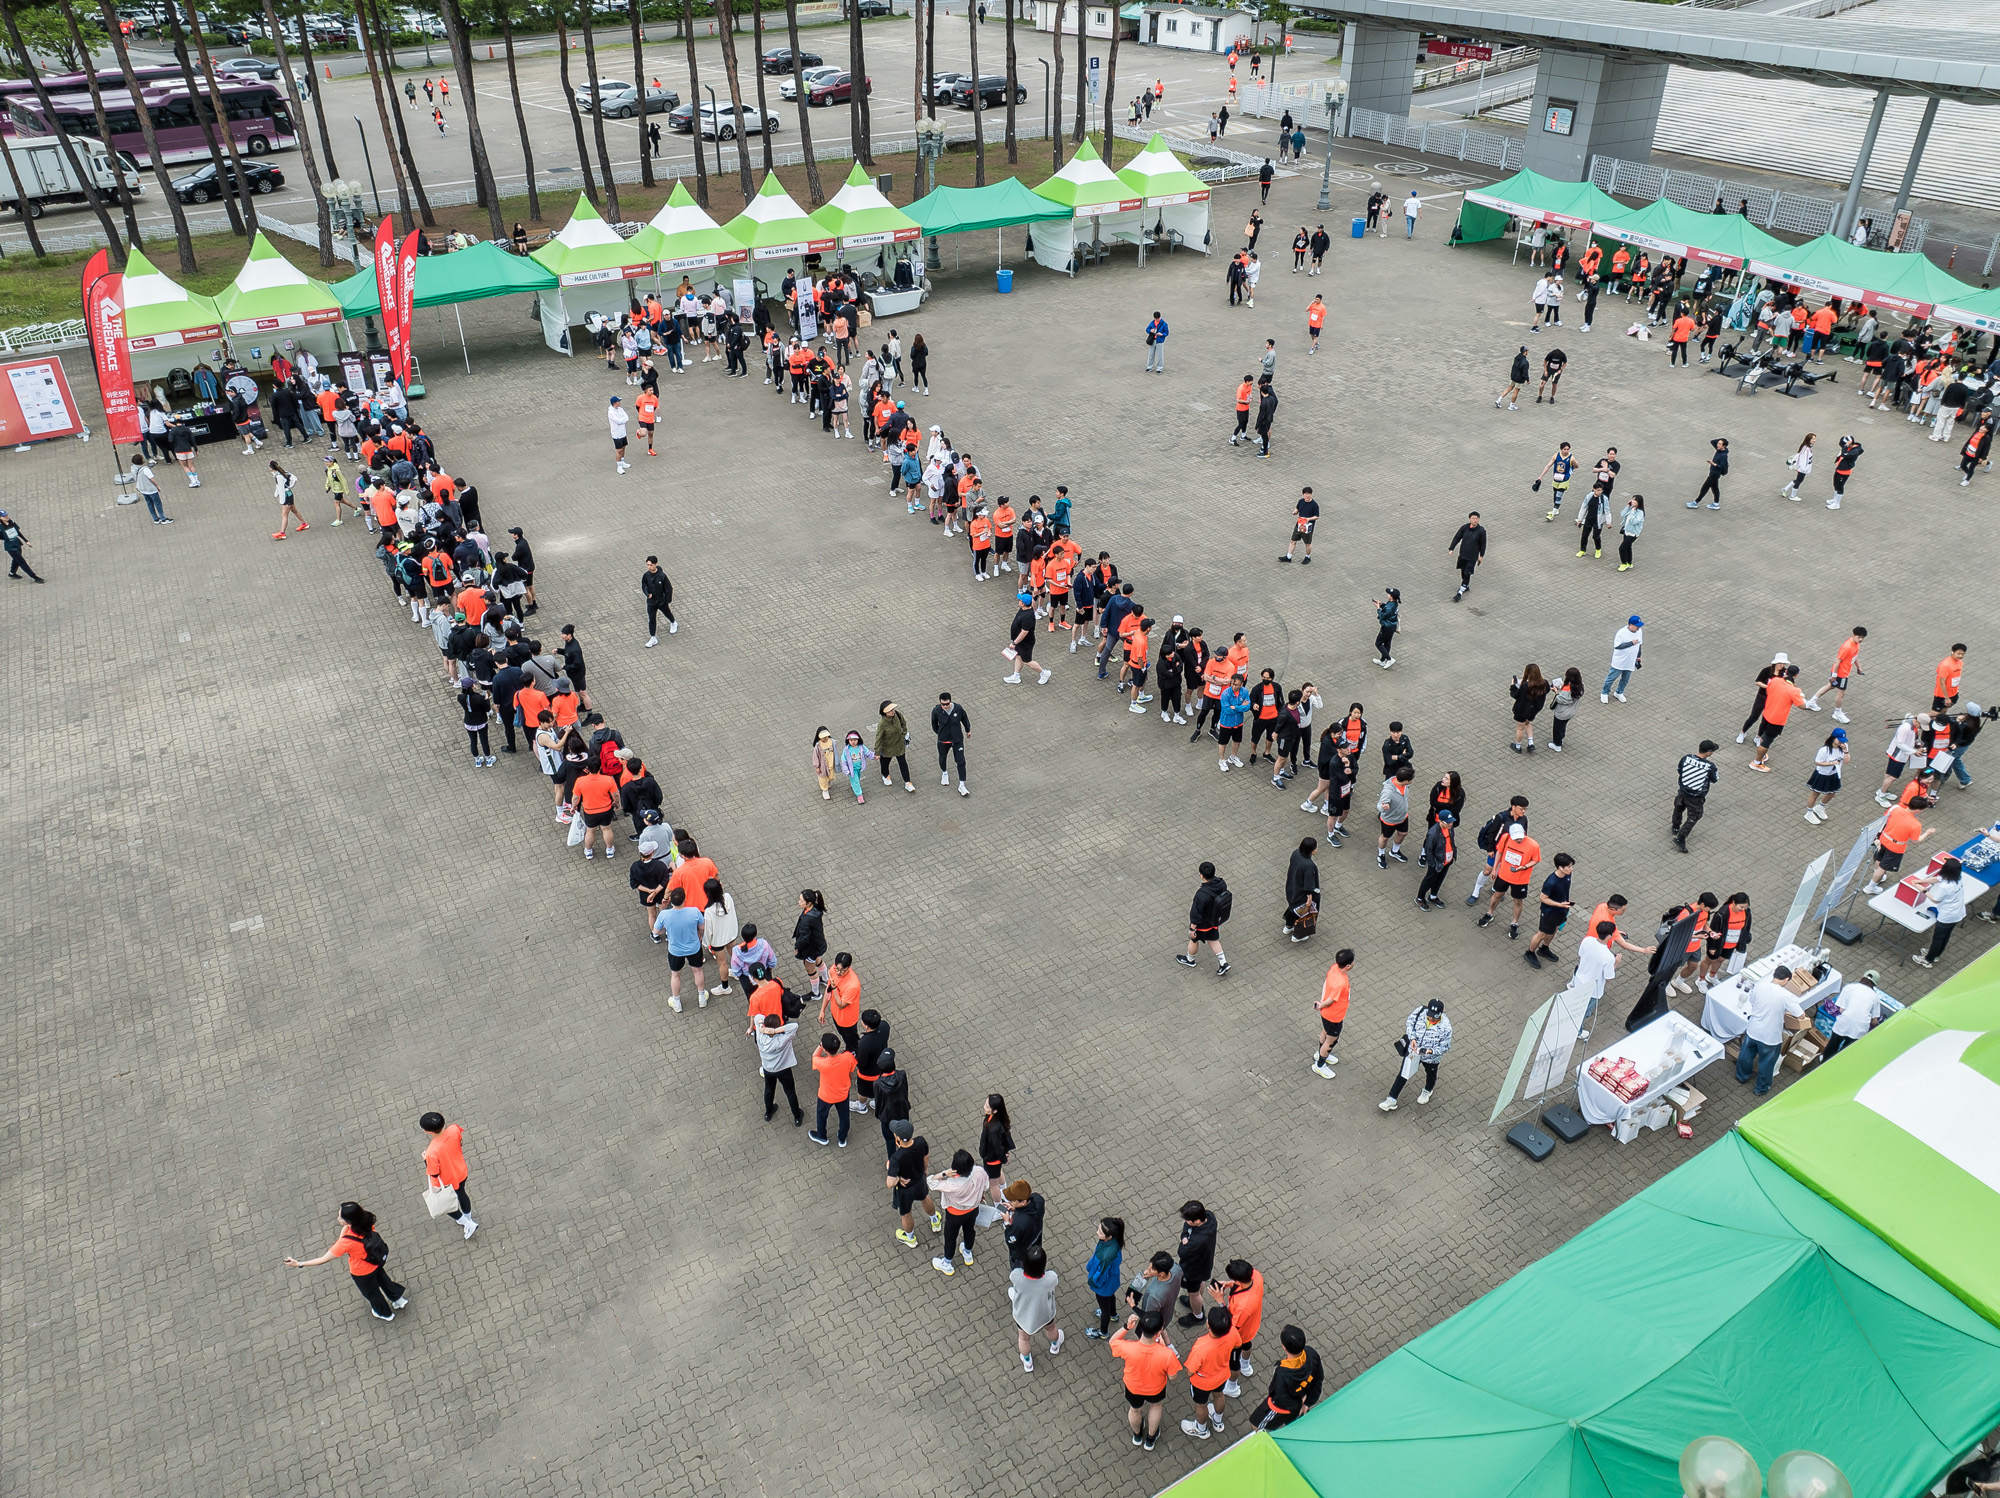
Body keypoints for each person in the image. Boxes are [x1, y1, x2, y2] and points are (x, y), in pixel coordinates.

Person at [284, 1203, 406, 1321]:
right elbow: (349, 1230)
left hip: (362, 1272)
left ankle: (385, 1314)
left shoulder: (346, 1243)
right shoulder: (367, 1221)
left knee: (372, 1293)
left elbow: (323, 1259)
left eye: (341, 1217)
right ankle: (398, 1299)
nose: (338, 1219)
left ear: (350, 1220)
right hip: (376, 1261)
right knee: (384, 1280)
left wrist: (299, 1264)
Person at [1110, 1311, 1183, 1450]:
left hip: (1133, 1388)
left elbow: (1112, 1341)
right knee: (1156, 1407)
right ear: (1159, 1331)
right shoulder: (1167, 1354)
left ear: (1141, 1328)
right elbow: (1173, 1377)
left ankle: (1137, 1436)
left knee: (1135, 1410)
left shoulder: (1128, 1348)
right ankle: (1150, 1439)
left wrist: (1126, 1326)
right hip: (1156, 1389)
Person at [1735, 967, 1804, 1095]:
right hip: (1770, 1036)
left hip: (1753, 1029)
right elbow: (1801, 1015)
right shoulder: (1786, 996)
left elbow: (1753, 1002)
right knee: (1766, 1064)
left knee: (1746, 1055)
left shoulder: (1760, 986)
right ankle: (1761, 1088)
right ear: (1786, 979)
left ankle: (1741, 1076)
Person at [1381, 997, 1452, 1110]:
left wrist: (1431, 1051)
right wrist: (1412, 1038)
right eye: (1430, 1015)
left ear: (1440, 1015)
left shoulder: (1446, 1028)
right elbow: (1410, 1023)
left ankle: (1428, 1090)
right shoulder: (1420, 1011)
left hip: (1430, 1058)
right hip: (1413, 1051)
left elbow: (1445, 1047)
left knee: (1431, 1074)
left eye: (1435, 1017)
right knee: (1403, 1073)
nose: (1431, 1018)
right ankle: (1392, 1098)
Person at [927, 1149, 990, 1275]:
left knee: (950, 1238)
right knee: (970, 1230)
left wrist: (945, 1173)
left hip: (954, 1215)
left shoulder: (952, 1184)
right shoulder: (979, 1171)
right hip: (973, 1210)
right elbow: (986, 1186)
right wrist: (980, 1194)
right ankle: (967, 1252)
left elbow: (931, 1181)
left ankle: (947, 1263)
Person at [419, 1111, 478, 1239]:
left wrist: (426, 1160)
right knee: (462, 1193)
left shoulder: (431, 1152)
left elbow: (434, 1173)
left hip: (447, 1180)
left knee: (445, 1205)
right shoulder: (454, 1129)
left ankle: (467, 1223)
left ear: (428, 1132)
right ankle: (468, 1218)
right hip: (461, 1171)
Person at [1180, 1306, 1236, 1440]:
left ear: (1208, 1325)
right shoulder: (1233, 1333)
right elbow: (1238, 1344)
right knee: (1219, 1396)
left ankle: (1201, 1429)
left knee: (1201, 1404)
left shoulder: (1201, 1346)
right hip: (1222, 1376)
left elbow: (1189, 1371)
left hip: (1202, 1383)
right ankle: (1218, 1422)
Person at [1254, 1326, 1323, 1431]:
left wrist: (1299, 1404)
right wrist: (1307, 1403)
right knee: (1294, 1424)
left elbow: (1281, 1399)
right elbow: (1319, 1379)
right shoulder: (1311, 1353)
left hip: (1283, 1408)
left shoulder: (1282, 1373)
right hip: (1300, 1403)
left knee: (1255, 1424)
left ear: (1284, 1347)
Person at [1864, 793, 1934, 894]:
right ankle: (1871, 887)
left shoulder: (1895, 809)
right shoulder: (1916, 824)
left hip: (1883, 839)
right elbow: (1915, 841)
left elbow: (1885, 818)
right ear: (1917, 810)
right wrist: (1927, 833)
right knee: (1883, 868)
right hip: (1896, 848)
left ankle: (1879, 876)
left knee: (1879, 860)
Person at [1009, 1245, 1064, 1372]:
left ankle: (1027, 1361)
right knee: (1051, 1328)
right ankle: (1055, 1346)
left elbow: (1014, 1275)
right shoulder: (1050, 1278)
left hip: (1023, 1317)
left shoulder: (1016, 1276)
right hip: (1045, 1313)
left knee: (1023, 1338)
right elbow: (1054, 1279)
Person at [885, 1118, 937, 1243]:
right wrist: (925, 1171)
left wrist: (898, 1178)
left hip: (905, 1191)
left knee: (906, 1214)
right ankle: (935, 1221)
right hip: (919, 1180)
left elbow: (889, 1183)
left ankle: (910, 1238)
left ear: (897, 1138)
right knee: (925, 1198)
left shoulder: (896, 1159)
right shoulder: (920, 1142)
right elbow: (926, 1157)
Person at [1908, 856, 1967, 967]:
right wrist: (1920, 881)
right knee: (1945, 936)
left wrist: (1923, 890)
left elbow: (1935, 899)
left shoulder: (1946, 887)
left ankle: (1928, 960)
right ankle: (1935, 954)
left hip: (1948, 915)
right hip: (1958, 912)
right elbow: (1936, 879)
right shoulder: (1958, 878)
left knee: (1938, 938)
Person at [1748, 664, 1807, 772]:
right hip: (1777, 720)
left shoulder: (1775, 680)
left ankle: (1763, 755)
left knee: (1764, 735)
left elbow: (1768, 690)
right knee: (1767, 741)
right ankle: (1756, 763)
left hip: (1767, 713)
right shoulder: (1794, 690)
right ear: (1796, 675)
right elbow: (1802, 706)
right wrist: (1802, 697)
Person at [1521, 853, 1575, 969]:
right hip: (1550, 912)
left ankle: (1544, 949)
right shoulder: (1551, 882)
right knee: (1542, 933)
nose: (1572, 869)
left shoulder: (1567, 875)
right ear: (1560, 867)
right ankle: (1530, 953)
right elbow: (1543, 898)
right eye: (1569, 866)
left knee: (1554, 930)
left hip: (1562, 910)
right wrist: (1559, 904)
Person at [1801, 626, 1865, 722]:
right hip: (1841, 674)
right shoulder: (1847, 647)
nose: (1860, 639)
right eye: (1859, 637)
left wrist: (1858, 667)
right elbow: (1837, 662)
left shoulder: (1856, 645)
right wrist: (1834, 676)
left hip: (1843, 673)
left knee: (1829, 687)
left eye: (1862, 638)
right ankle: (1837, 713)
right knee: (1841, 693)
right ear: (1853, 635)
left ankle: (1811, 702)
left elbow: (1855, 656)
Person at [1179, 861, 1232, 976]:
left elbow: (1196, 914)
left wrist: (1192, 929)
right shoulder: (1221, 883)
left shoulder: (1201, 895)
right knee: (1213, 939)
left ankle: (1190, 959)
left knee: (1194, 939)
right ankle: (1223, 963)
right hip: (1214, 920)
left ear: (1201, 875)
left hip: (1203, 924)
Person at [807, 1031, 858, 1147]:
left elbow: (815, 1056)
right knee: (844, 1117)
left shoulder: (822, 1063)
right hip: (843, 1093)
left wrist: (820, 1045)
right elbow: (851, 1072)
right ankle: (842, 1138)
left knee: (821, 1116)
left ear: (825, 1050)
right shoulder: (848, 1057)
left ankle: (822, 1136)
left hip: (826, 1096)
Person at [1175, 1201, 1218, 1327]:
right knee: (1200, 1284)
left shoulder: (1197, 1241)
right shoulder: (1210, 1217)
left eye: (1188, 1220)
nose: (1186, 1222)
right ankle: (1194, 1301)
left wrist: (1184, 1241)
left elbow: (1182, 1252)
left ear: (1197, 1221)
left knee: (1193, 1293)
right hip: (1204, 1265)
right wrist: (1185, 1236)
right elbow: (1186, 1228)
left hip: (1193, 1269)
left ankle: (1197, 1315)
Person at [1821, 970, 1883, 1059]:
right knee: (1846, 1051)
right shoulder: (1875, 997)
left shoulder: (1849, 987)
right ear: (1875, 984)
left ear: (1863, 977)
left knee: (1833, 1044)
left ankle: (1824, 1061)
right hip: (1860, 1028)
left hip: (1844, 1022)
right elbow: (1874, 1021)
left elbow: (1841, 1010)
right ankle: (1837, 1065)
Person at [1311, 949, 1353, 1075]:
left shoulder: (1334, 968)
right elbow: (1331, 1000)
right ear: (1348, 965)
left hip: (1327, 1014)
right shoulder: (1341, 983)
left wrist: (1321, 1004)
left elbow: (1325, 984)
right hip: (1334, 1016)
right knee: (1331, 1040)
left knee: (1326, 1031)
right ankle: (1320, 1065)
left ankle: (1321, 1054)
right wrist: (1322, 1004)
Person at [1673, 740, 1720, 853]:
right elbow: (1715, 779)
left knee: (1678, 807)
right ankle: (1681, 837)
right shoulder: (1710, 766)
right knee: (1694, 816)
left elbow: (1680, 770)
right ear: (1708, 752)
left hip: (1683, 791)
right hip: (1696, 796)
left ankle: (1675, 826)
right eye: (1712, 751)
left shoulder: (1686, 758)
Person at [1085, 1218, 1126, 1339]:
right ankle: (1114, 1315)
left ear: (1109, 1237)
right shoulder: (1114, 1242)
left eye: (1100, 1231)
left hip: (1103, 1286)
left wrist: (1092, 1280)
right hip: (1111, 1283)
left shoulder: (1106, 1256)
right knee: (1110, 1297)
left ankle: (1103, 1332)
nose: (1097, 1232)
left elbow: (1101, 1275)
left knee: (1104, 1309)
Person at [1803, 729, 1849, 821]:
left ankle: (1820, 807)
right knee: (1815, 794)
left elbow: (1847, 761)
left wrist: (1845, 751)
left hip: (1834, 774)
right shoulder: (1824, 750)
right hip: (1822, 774)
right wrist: (1831, 763)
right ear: (1833, 738)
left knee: (1832, 793)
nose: (1841, 742)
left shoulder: (1844, 747)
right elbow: (1818, 762)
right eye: (1839, 740)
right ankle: (1809, 812)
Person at [931, 691, 971, 794]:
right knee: (942, 757)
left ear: (950, 701)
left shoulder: (958, 708)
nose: (945, 706)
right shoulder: (936, 711)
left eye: (947, 704)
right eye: (943, 704)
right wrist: (940, 733)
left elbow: (964, 719)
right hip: (943, 740)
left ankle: (962, 784)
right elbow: (934, 724)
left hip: (957, 739)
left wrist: (967, 730)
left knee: (961, 761)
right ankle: (944, 773)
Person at [793, 888, 829, 997]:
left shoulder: (807, 920)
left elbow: (804, 938)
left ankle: (815, 993)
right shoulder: (816, 910)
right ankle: (825, 980)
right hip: (818, 944)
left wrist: (797, 947)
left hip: (811, 948)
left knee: (810, 968)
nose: (799, 902)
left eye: (801, 901)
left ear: (808, 903)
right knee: (818, 960)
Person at [1283, 837, 1320, 942]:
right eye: (1315, 847)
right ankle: (1299, 935)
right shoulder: (1309, 866)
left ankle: (1288, 926)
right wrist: (1309, 899)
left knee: (1293, 907)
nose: (1317, 849)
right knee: (1304, 913)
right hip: (1302, 894)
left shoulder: (1296, 853)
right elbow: (1309, 885)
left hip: (1292, 888)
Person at [979, 1094, 1014, 1200]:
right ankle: (1005, 1190)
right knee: (998, 1172)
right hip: (995, 1160)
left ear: (995, 1111)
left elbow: (997, 1148)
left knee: (993, 1185)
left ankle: (998, 1207)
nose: (984, 1107)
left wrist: (1003, 1158)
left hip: (992, 1159)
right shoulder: (996, 1119)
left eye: (987, 1106)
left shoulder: (994, 1130)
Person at [873, 699, 914, 791]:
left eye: (893, 709)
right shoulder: (882, 724)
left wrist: (903, 735)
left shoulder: (898, 715)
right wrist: (877, 752)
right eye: (890, 710)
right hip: (887, 748)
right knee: (885, 763)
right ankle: (885, 775)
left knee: (903, 763)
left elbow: (904, 724)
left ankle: (907, 782)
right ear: (884, 712)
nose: (893, 711)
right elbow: (879, 738)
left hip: (899, 746)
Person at [1603, 615, 1643, 702]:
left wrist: (1638, 656)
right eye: (1637, 626)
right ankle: (1605, 692)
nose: (1638, 628)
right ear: (1631, 625)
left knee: (1625, 679)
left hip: (1630, 661)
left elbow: (1639, 644)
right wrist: (1631, 643)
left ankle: (1619, 692)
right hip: (1620, 661)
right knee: (1611, 678)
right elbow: (1617, 646)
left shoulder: (1639, 631)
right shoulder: (1621, 633)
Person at [1447, 512, 1486, 601]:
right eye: (1473, 518)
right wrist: (1451, 548)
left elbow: (1483, 544)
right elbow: (1457, 537)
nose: (1475, 520)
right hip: (1463, 554)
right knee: (1463, 571)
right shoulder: (1464, 528)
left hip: (1472, 557)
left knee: (1467, 572)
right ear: (1469, 519)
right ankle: (1465, 585)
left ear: (1478, 519)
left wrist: (1481, 555)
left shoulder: (1481, 531)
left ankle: (1459, 593)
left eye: (1476, 518)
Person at [641, 556, 676, 646]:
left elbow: (668, 588)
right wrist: (647, 594)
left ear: (655, 564)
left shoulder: (662, 576)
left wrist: (667, 600)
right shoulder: (646, 575)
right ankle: (653, 638)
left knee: (667, 613)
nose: (649, 567)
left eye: (651, 565)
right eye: (647, 565)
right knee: (652, 619)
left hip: (661, 601)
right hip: (651, 602)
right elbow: (644, 586)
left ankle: (673, 622)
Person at [1689, 437, 1729, 510]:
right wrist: (1721, 440)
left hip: (1715, 474)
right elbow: (1712, 441)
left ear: (1724, 446)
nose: (1717, 445)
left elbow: (1721, 467)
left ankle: (1696, 502)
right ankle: (1716, 504)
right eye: (1718, 443)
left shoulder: (1723, 455)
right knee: (1715, 488)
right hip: (1713, 473)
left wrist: (1713, 464)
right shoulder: (1719, 450)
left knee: (1705, 487)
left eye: (1720, 444)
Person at [1281, 486, 1319, 563]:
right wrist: (1295, 511)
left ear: (1311, 494)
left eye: (1309, 494)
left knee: (1307, 543)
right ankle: (1288, 557)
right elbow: (1297, 508)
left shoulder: (1314, 505)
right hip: (1299, 524)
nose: (1307, 495)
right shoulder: (1301, 501)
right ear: (1303, 494)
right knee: (1293, 541)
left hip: (1308, 526)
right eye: (1305, 494)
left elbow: (1316, 516)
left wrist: (1308, 519)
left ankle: (1307, 557)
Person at [1372, 589, 1400, 669]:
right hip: (1391, 627)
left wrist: (1378, 608)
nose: (1388, 594)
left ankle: (1389, 659)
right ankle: (1382, 660)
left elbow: (1382, 616)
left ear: (1392, 596)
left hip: (1387, 627)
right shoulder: (1393, 603)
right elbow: (1387, 609)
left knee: (1378, 643)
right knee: (1387, 643)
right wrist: (1381, 605)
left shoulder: (1390, 607)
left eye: (1389, 594)